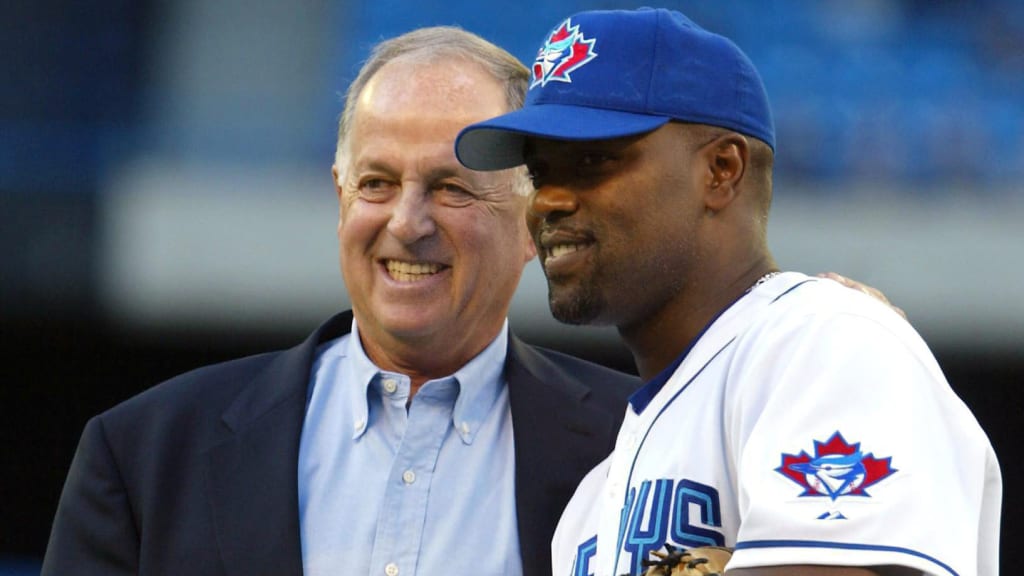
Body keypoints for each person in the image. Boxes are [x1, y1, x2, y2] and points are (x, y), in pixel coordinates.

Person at [40, 27, 640, 576]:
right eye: (377, 184)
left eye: (450, 188)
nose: (407, 223)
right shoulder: (143, 455)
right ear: (340, 196)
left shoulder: (635, 447)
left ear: (530, 219)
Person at [455, 8, 1001, 576]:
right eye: (541, 175)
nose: (548, 201)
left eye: (593, 160)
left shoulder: (822, 343)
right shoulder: (592, 501)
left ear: (721, 169)